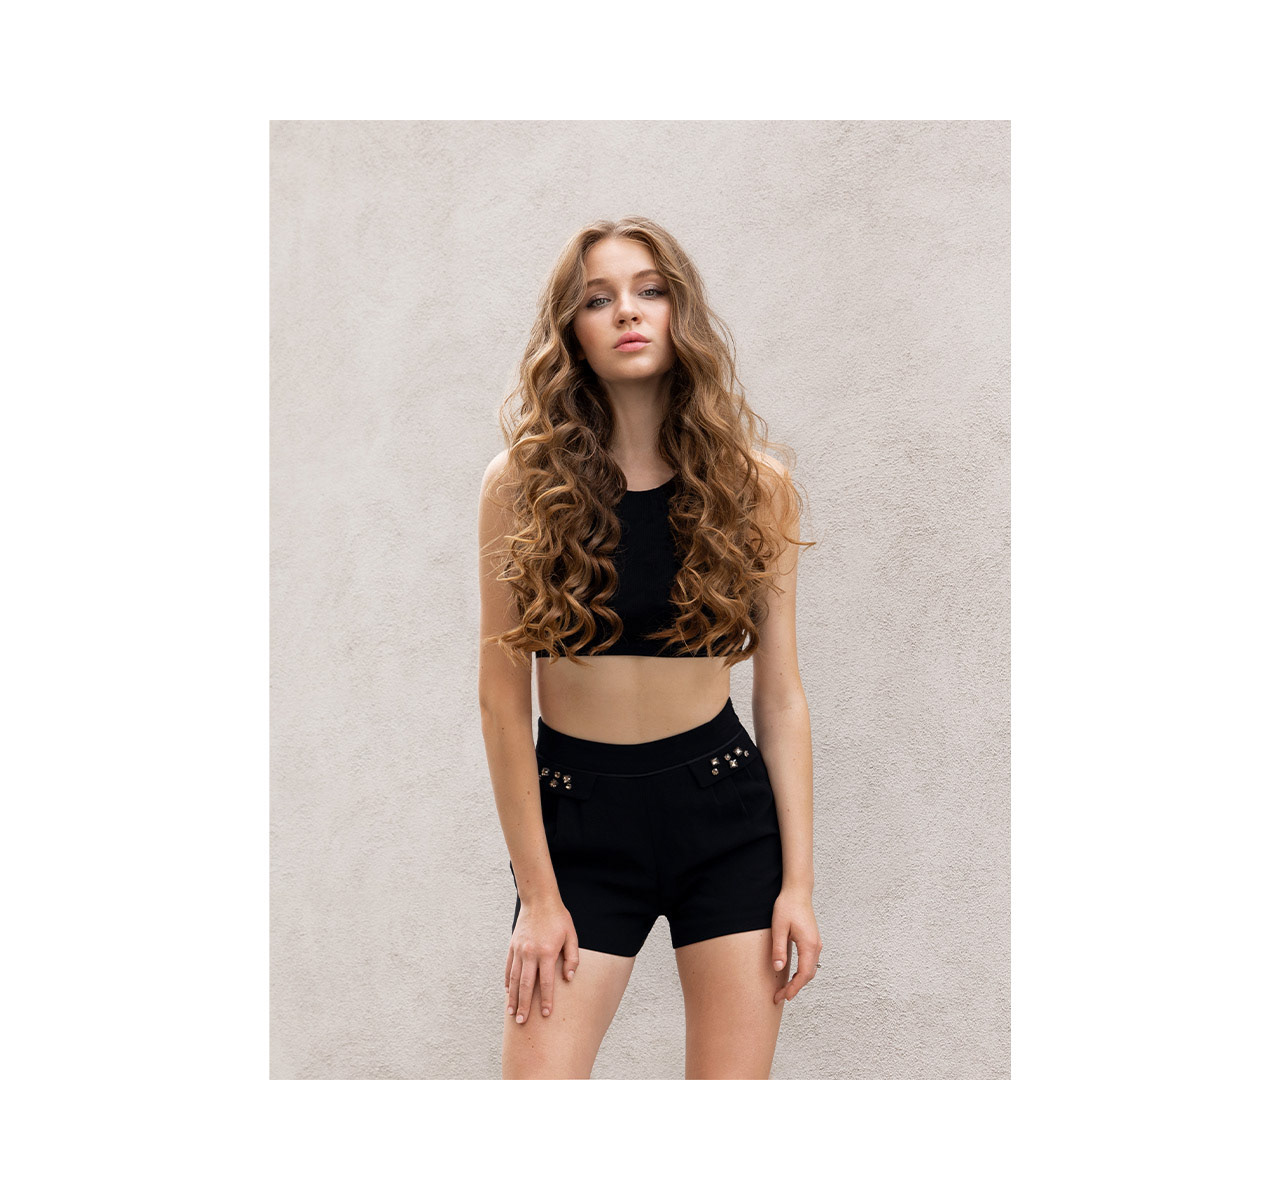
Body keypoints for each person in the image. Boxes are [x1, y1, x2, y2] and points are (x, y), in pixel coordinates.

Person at [477, 216, 820, 1079]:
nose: (628, 311)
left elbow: (780, 695)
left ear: (680, 314)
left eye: (650, 290)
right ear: (572, 332)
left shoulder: (755, 486)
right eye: (599, 299)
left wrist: (798, 887)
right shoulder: (521, 488)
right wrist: (539, 897)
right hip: (579, 824)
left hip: (723, 816)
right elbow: (501, 701)